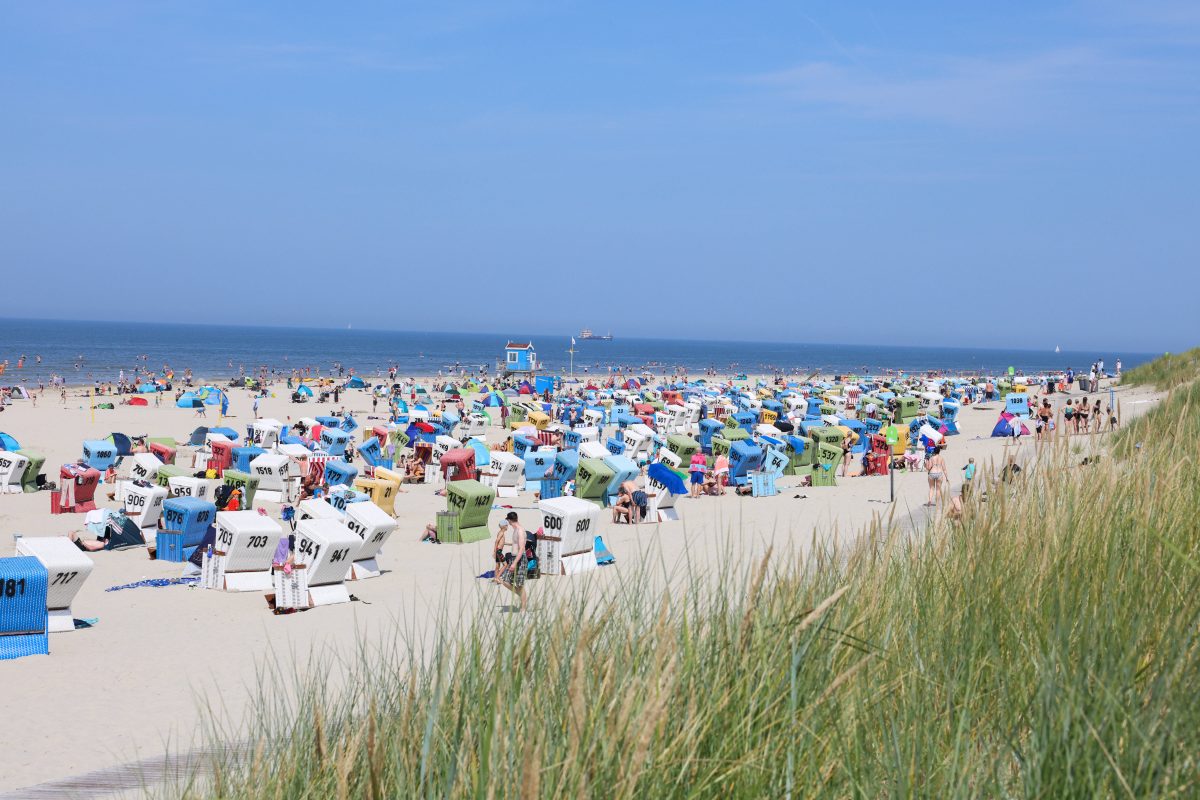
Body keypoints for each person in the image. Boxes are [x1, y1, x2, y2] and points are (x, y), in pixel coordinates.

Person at [499, 512, 528, 611]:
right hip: (513, 558)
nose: (509, 523)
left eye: (508, 521)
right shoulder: (516, 530)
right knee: (504, 580)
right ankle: (520, 595)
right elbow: (516, 544)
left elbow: (521, 548)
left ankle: (523, 608)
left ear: (510, 520)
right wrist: (506, 543)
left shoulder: (520, 530)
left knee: (520, 585)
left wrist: (515, 563)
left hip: (519, 559)